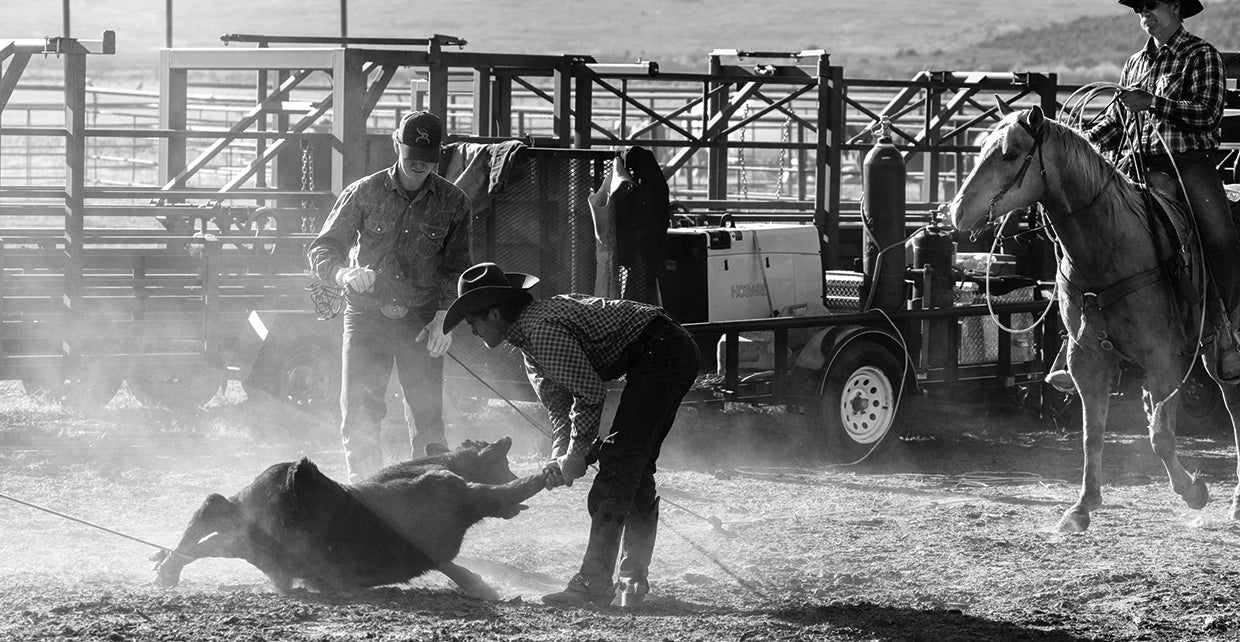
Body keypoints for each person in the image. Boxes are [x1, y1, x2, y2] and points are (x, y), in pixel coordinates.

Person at [441, 262, 700, 608]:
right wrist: (558, 459)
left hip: (662, 351)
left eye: (472, 321)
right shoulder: (529, 344)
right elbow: (560, 413)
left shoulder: (541, 331)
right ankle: (632, 582)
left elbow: (590, 393)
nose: (471, 331)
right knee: (633, 466)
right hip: (667, 350)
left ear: (491, 315)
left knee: (619, 465)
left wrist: (576, 455)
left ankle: (594, 583)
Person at [1046, 0, 1240, 392]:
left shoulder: (1201, 56)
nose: (1143, 14)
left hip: (1188, 165)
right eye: (1138, 8)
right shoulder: (1136, 62)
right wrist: (1076, 149)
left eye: (1150, 5)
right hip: (1135, 167)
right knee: (1086, 236)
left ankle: (1225, 330)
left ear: (1174, 7)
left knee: (1220, 237)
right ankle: (1078, 344)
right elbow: (1116, 122)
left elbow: (1207, 114)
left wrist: (1153, 103)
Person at [307, 110, 473, 482]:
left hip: (423, 320)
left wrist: (444, 319)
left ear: (439, 156)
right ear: (396, 144)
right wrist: (343, 272)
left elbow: (456, 270)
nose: (419, 164)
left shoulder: (455, 204)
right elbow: (322, 250)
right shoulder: (363, 192)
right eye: (412, 153)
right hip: (366, 318)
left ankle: (428, 503)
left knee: (429, 417)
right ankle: (366, 497)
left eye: (428, 159)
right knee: (360, 414)